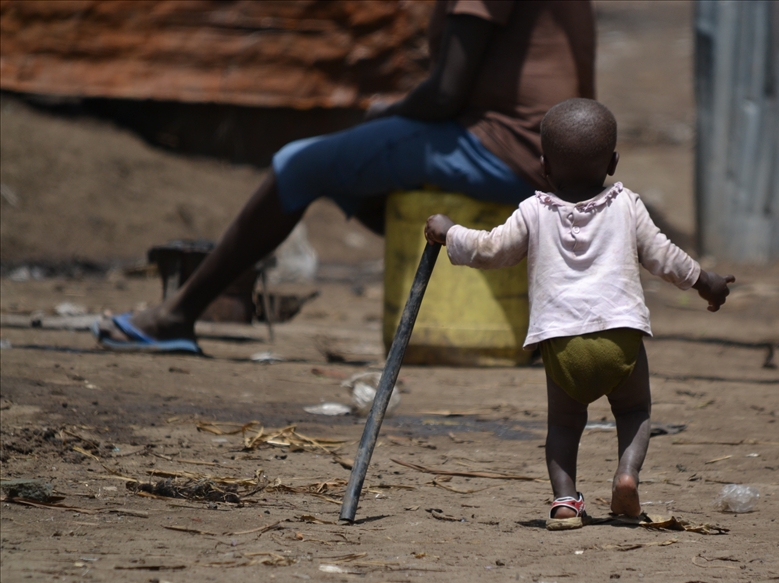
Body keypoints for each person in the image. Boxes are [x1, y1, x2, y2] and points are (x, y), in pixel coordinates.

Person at [94, 0, 596, 351]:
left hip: (501, 146)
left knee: (300, 163)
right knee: (353, 165)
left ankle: (176, 316)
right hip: (547, 154)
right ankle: (501, 294)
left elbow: (445, 93)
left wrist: (385, 112)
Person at [424, 98, 735, 530]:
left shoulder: (533, 212)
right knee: (634, 412)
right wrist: (706, 281)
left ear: (544, 166)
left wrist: (449, 233)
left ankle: (565, 502)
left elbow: (491, 249)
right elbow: (665, 257)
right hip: (620, 337)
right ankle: (626, 476)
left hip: (561, 341)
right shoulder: (627, 205)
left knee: (565, 423)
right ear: (612, 163)